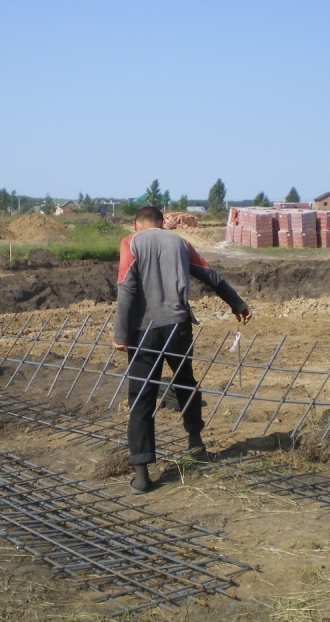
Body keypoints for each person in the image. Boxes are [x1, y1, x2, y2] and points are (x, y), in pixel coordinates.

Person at [113, 206, 251, 493]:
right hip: (178, 326)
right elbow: (210, 275)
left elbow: (126, 287)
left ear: (136, 223)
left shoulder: (131, 242)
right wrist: (237, 304)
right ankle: (195, 443)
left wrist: (120, 333)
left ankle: (141, 474)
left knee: (142, 395)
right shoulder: (180, 243)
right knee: (185, 381)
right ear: (162, 223)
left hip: (144, 331)